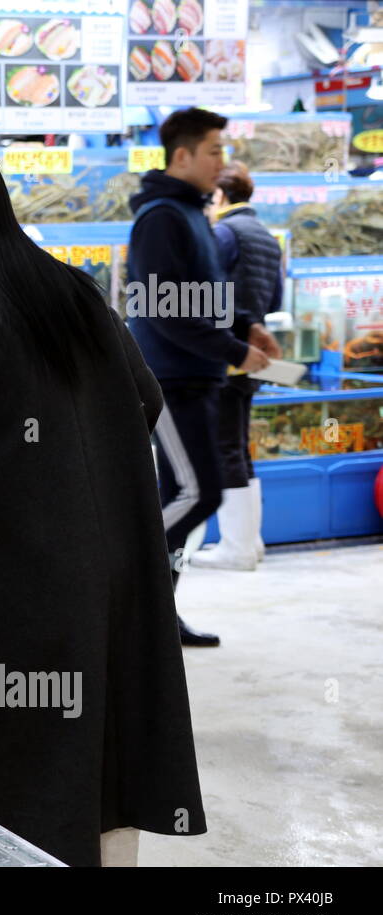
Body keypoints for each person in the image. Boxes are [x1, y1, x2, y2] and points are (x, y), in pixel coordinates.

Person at [0, 135, 207, 866]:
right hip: (112, 563)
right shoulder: (70, 289)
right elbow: (147, 397)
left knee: (24, 766)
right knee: (100, 741)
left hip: (17, 578)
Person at [127, 107, 271, 648]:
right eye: (213, 149)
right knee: (198, 493)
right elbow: (166, 309)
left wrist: (247, 328)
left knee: (185, 493)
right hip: (170, 381)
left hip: (200, 378)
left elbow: (207, 296)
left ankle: (156, 617)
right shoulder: (161, 217)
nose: (221, 161)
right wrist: (236, 350)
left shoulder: (193, 213)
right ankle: (128, 592)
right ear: (182, 155)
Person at [192, 161, 283, 571]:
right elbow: (276, 301)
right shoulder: (266, 235)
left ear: (220, 196)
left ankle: (237, 548)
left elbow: (207, 287)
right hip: (256, 352)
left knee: (224, 445)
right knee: (239, 444)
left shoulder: (225, 232)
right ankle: (251, 541)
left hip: (227, 352)